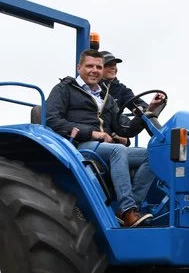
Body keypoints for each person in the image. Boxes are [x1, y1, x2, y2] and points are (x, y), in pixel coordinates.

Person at [44, 49, 155, 227]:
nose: (94, 70)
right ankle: (127, 210)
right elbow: (52, 120)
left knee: (153, 155)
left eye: (98, 67)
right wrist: (91, 133)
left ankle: (131, 207)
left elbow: (124, 128)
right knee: (118, 150)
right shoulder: (65, 89)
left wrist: (149, 111)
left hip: (104, 147)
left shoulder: (106, 98)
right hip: (78, 145)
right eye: (90, 66)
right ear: (79, 67)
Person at [98, 50, 166, 140]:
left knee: (146, 115)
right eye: (109, 65)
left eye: (115, 65)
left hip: (115, 130)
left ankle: (162, 139)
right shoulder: (93, 89)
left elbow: (138, 104)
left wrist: (148, 107)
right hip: (99, 131)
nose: (113, 68)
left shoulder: (121, 89)